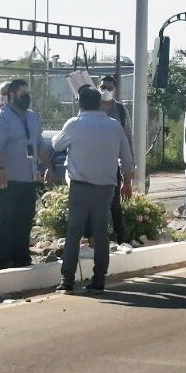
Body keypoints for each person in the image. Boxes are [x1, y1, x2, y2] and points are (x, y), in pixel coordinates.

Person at [52, 87, 134, 294]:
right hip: (106, 188)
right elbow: (127, 156)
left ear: (80, 102)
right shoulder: (114, 126)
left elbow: (56, 144)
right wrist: (127, 181)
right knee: (101, 234)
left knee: (73, 234)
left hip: (80, 188)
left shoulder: (75, 124)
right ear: (99, 103)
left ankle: (67, 280)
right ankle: (99, 280)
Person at [0, 79, 49, 269]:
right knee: (5, 219)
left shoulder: (32, 117)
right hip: (8, 177)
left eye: (28, 94)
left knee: (24, 218)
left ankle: (21, 258)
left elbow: (38, 144)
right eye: (23, 95)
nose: (27, 98)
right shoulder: (0, 117)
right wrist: (0, 169)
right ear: (11, 95)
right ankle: (2, 260)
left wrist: (46, 166)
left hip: (28, 177)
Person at [98, 74, 131, 243]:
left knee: (114, 203)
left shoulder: (120, 110)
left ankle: (120, 238)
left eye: (109, 88)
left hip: (112, 165)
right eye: (103, 87)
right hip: (93, 165)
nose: (106, 91)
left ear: (115, 90)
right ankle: (95, 238)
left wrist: (128, 176)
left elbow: (127, 140)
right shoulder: (92, 106)